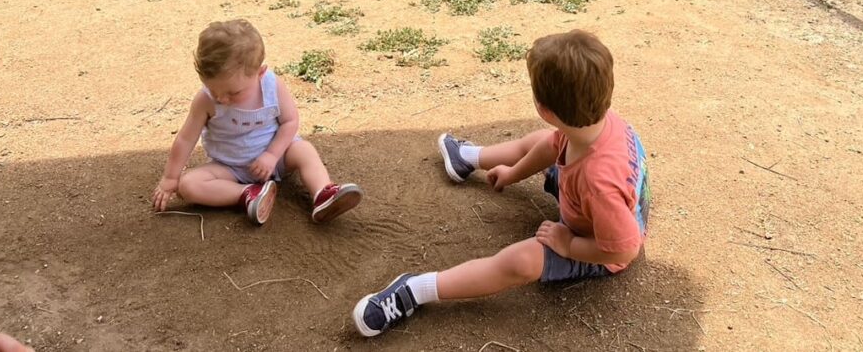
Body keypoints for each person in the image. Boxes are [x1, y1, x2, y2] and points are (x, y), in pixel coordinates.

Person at [352, 30, 650, 337]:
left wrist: (569, 244)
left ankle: (415, 289)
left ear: (544, 109)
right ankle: (468, 158)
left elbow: (624, 250)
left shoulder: (598, 183)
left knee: (521, 262)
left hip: (599, 246)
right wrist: (512, 172)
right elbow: (550, 148)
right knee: (541, 142)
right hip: (603, 205)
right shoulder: (594, 121)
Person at [152, 19, 361, 225]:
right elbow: (186, 139)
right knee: (188, 185)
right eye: (214, 90)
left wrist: (271, 155)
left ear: (260, 73)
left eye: (233, 93)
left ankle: (323, 194)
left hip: (277, 157)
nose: (222, 99)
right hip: (229, 168)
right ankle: (248, 194)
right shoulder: (205, 100)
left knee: (304, 149)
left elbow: (290, 121)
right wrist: (171, 178)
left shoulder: (272, 86)